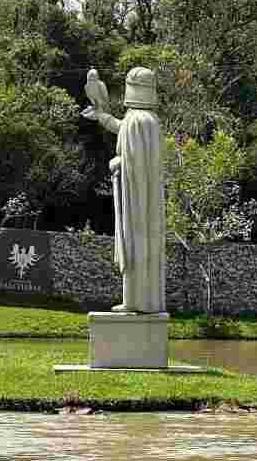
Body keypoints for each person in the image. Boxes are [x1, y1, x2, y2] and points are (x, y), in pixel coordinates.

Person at [80, 66, 165, 313]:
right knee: (144, 246)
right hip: (146, 200)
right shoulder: (149, 121)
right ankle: (146, 301)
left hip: (136, 199)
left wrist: (117, 162)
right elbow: (125, 132)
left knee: (134, 243)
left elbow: (132, 159)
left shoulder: (137, 120)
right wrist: (101, 116)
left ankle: (134, 301)